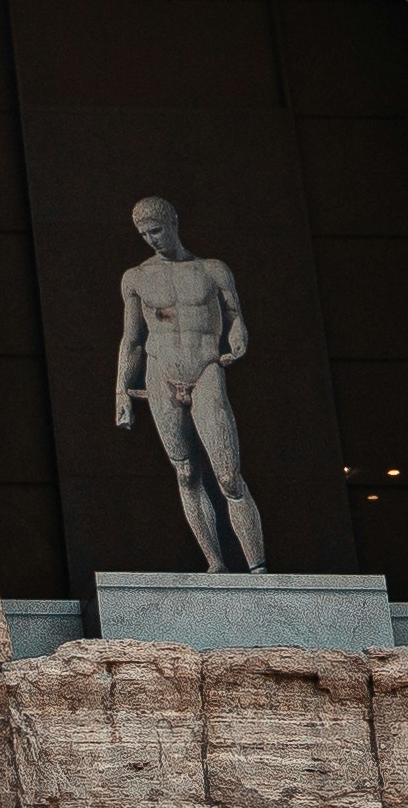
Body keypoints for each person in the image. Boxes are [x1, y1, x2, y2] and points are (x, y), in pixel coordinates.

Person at [108, 197, 270, 571]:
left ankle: (259, 567)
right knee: (185, 473)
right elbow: (131, 339)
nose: (151, 239)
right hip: (160, 372)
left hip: (206, 369)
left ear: (173, 222)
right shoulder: (136, 278)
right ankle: (215, 562)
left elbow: (235, 315)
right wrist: (121, 391)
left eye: (156, 230)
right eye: (144, 234)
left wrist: (238, 337)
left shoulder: (212, 270)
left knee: (228, 477)